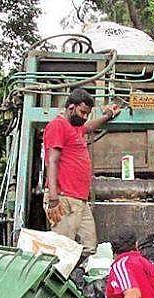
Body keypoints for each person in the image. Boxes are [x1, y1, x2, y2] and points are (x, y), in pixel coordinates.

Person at [44, 88, 122, 256]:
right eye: (83, 112)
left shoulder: (75, 127)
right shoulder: (58, 125)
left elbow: (90, 126)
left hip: (79, 199)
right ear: (71, 107)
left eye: (87, 113)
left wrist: (108, 115)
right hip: (64, 198)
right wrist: (53, 198)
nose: (85, 117)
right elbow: (52, 160)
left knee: (89, 246)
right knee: (63, 249)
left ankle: (82, 280)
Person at [105, 230, 154, 298]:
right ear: (136, 245)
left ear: (112, 249)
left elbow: (133, 295)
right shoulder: (151, 265)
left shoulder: (120, 266)